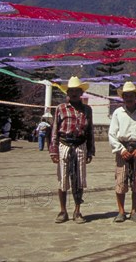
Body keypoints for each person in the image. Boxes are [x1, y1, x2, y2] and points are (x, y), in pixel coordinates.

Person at [49, 76, 95, 224]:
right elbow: (54, 130)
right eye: (71, 91)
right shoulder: (60, 109)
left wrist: (90, 151)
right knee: (62, 180)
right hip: (64, 145)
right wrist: (54, 151)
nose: (74, 93)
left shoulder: (87, 110)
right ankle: (63, 211)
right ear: (67, 92)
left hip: (80, 146)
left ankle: (77, 211)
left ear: (81, 93)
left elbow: (90, 132)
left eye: (77, 91)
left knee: (79, 180)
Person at [108, 82, 136, 223]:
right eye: (125, 96)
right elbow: (112, 134)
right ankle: (121, 211)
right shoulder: (117, 113)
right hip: (122, 150)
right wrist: (121, 149)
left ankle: (134, 211)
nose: (128, 98)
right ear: (122, 97)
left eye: (131, 95)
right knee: (121, 181)